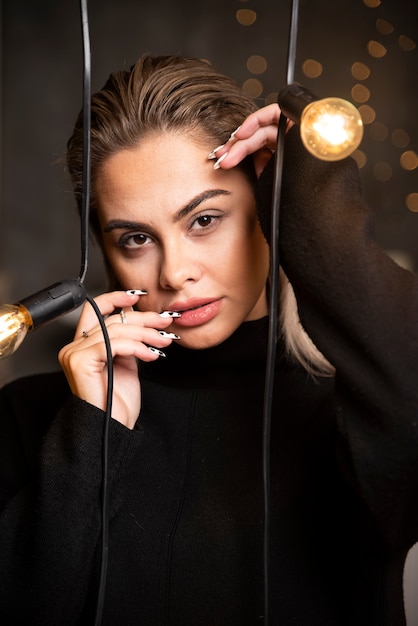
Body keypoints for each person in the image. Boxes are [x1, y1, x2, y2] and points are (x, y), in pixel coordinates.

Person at [0, 53, 418, 626]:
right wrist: (89, 440)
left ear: (269, 213)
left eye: (203, 220)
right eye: (136, 238)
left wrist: (316, 200)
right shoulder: (33, 420)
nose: (174, 273)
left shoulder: (354, 408)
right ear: (102, 249)